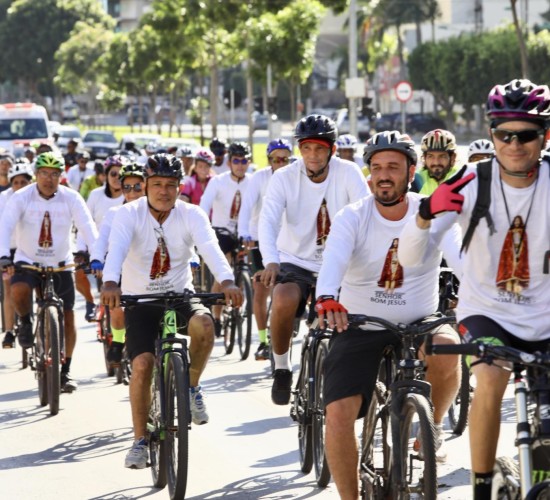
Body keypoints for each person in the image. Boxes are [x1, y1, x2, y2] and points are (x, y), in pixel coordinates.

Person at [398, 78, 550, 500]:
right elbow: (411, 257)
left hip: (546, 314)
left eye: (526, 135)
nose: (514, 144)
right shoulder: (469, 184)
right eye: (504, 134)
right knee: (491, 377)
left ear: (545, 135)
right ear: (491, 135)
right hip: (489, 313)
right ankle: (482, 487)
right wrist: (425, 215)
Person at [315, 130, 462, 499]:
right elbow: (333, 259)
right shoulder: (353, 216)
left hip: (419, 322)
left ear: (411, 172)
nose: (384, 174)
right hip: (360, 323)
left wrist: (478, 297)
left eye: (393, 167)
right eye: (377, 167)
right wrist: (327, 297)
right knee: (337, 414)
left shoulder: (431, 209)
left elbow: (459, 256)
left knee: (448, 347)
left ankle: (434, 425)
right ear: (368, 175)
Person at [100, 153, 243, 469]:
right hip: (141, 300)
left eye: (171, 185)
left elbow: (210, 249)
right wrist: (110, 283)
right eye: (157, 184)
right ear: (146, 185)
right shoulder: (128, 215)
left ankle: (191, 387)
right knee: (142, 365)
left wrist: (229, 281)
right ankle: (139, 440)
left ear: (180, 187)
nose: (164, 191)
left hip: (180, 294)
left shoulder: (191, 214)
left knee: (205, 325)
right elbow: (117, 250)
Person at [258, 114, 369, 405]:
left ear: (332, 150)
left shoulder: (349, 173)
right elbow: (268, 221)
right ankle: (281, 368)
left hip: (342, 261)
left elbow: (366, 214)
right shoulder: (284, 177)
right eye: (306, 148)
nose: (312, 155)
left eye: (319, 149)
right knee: (282, 298)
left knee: (355, 322)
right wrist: (271, 260)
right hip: (296, 259)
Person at [0, 152, 98, 392]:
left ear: (61, 176)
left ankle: (65, 371)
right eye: (44, 173)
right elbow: (5, 225)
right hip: (28, 260)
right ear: (36, 174)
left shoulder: (71, 198)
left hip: (60, 262)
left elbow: (88, 227)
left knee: (68, 316)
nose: (49, 179)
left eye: (55, 174)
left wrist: (96, 257)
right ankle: (24, 321)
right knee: (18, 289)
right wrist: (3, 255)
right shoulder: (22, 197)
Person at [238, 138, 292, 360]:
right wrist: (244, 234)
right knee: (261, 290)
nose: (280, 162)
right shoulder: (259, 178)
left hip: (287, 242)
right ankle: (262, 341)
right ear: (269, 160)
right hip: (260, 240)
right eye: (275, 159)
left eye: (284, 159)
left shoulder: (297, 176)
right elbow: (246, 207)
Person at [90, 161, 146, 365]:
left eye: (138, 186)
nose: (133, 192)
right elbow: (101, 240)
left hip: (147, 270)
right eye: (127, 187)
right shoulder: (114, 213)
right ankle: (118, 341)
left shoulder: (154, 211)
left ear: (146, 186)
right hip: (120, 268)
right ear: (121, 189)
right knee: (116, 304)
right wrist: (97, 259)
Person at [200, 141, 251, 335]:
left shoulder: (253, 182)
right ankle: (217, 315)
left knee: (247, 269)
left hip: (245, 232)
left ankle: (245, 292)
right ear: (230, 163)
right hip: (221, 231)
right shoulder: (218, 181)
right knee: (225, 267)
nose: (240, 164)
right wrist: (203, 229)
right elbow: (204, 206)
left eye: (244, 160)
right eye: (236, 160)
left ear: (248, 162)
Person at [75, 155, 126, 322]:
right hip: (99, 250)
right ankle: (91, 304)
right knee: (83, 276)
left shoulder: (131, 196)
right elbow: (84, 224)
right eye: (113, 174)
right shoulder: (96, 195)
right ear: (105, 175)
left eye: (121, 174)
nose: (117, 178)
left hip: (123, 252)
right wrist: (81, 250)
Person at [1, 159, 34, 348]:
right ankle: (9, 330)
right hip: (9, 250)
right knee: (8, 288)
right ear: (10, 183)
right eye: (16, 182)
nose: (20, 186)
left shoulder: (36, 197)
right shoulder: (3, 199)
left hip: (30, 250)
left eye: (24, 182)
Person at [418, 129, 460, 195]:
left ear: (452, 157)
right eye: (430, 156)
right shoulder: (416, 179)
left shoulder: (461, 178)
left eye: (442, 156)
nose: (436, 162)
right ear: (424, 157)